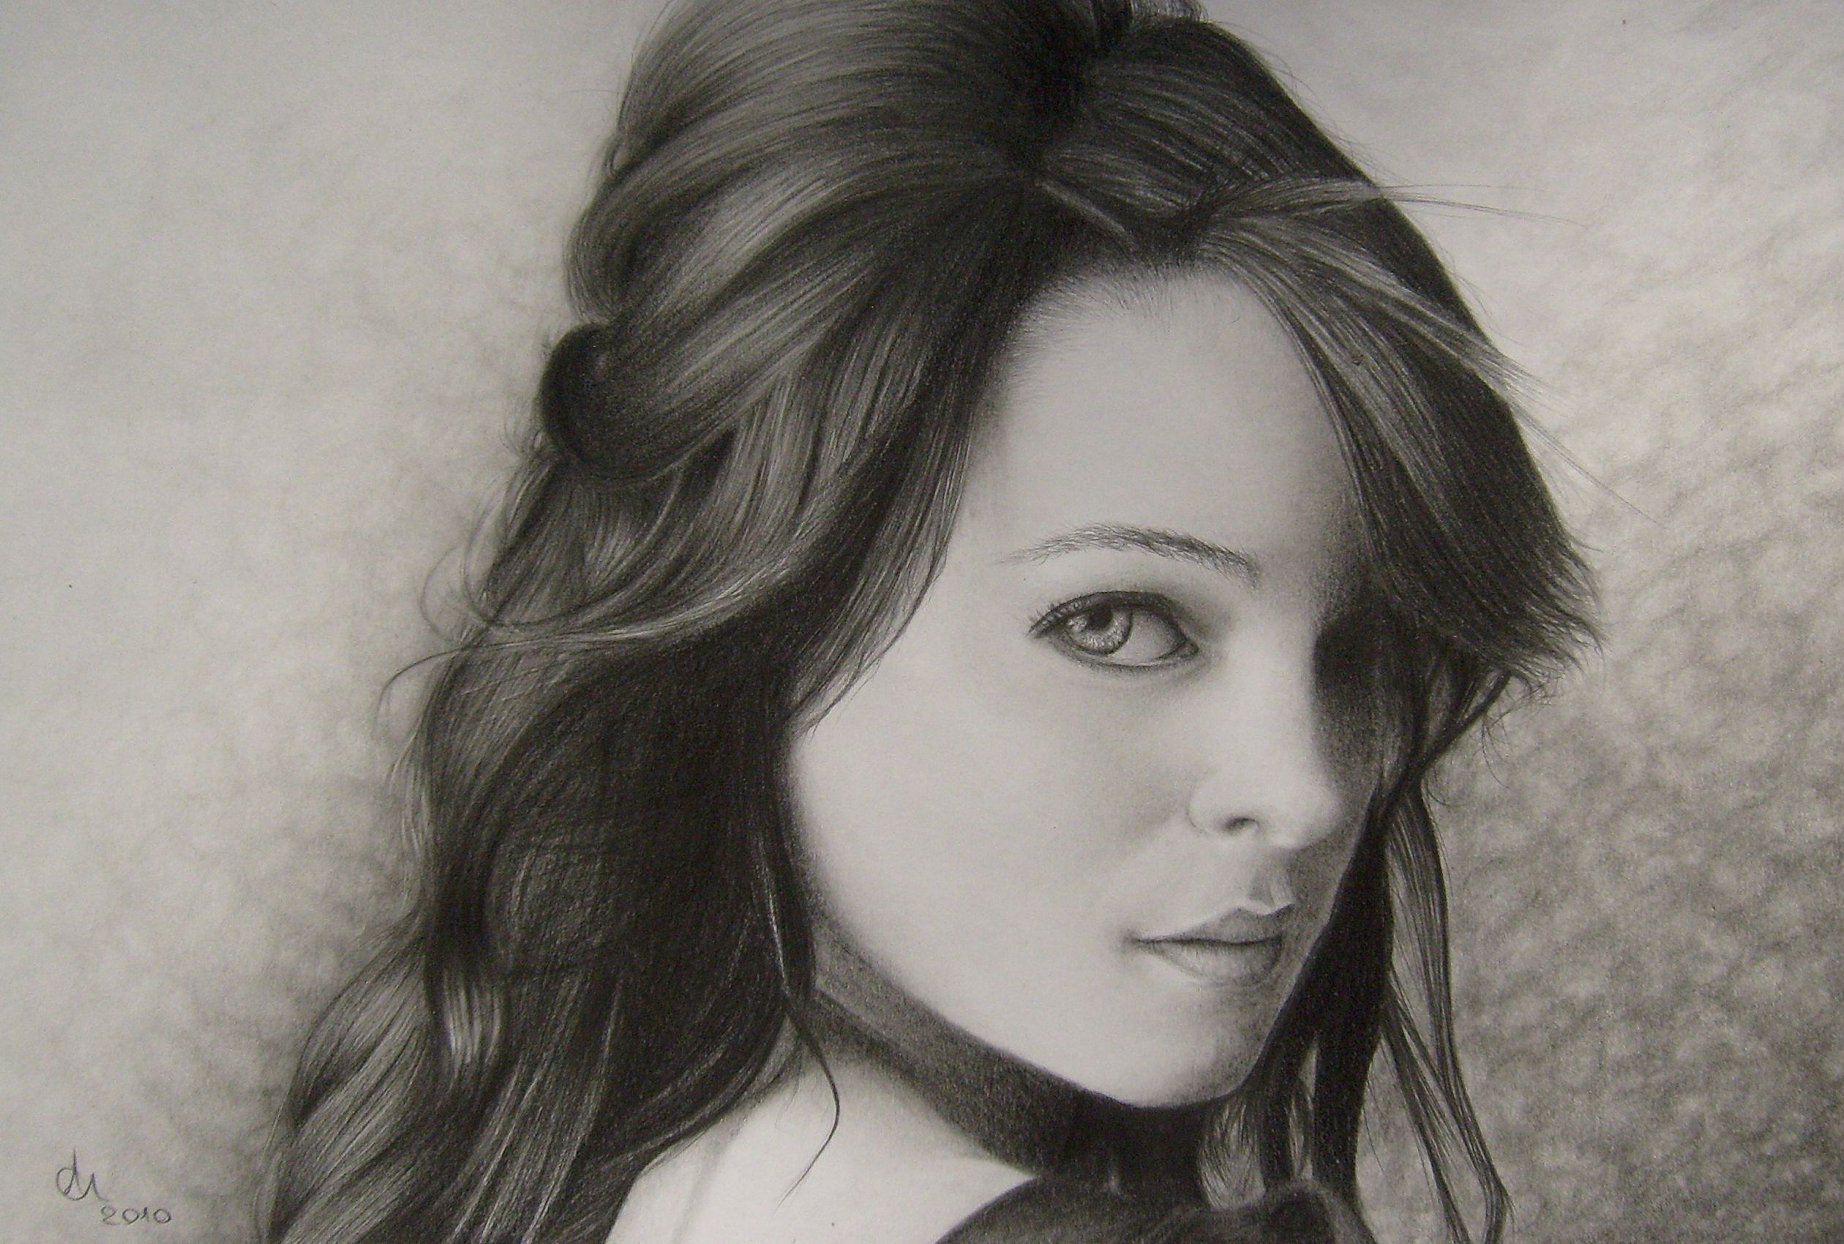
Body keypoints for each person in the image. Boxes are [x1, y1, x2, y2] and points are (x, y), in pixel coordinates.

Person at [266, 1, 1593, 1240]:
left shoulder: (660, 1187)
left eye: (1360, 646)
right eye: (1118, 624)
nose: (1305, 793)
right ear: (763, 630)